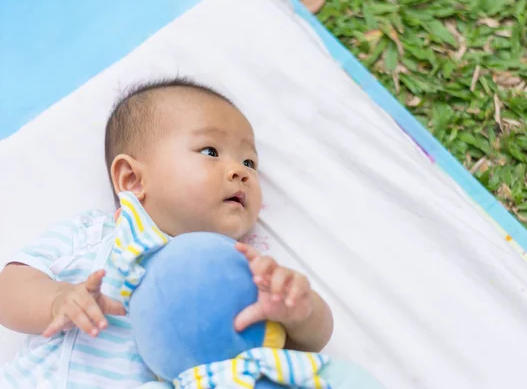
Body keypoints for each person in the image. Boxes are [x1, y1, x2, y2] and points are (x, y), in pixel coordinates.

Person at [0, 78, 334, 388]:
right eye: (210, 152)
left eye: (250, 162)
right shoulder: (92, 233)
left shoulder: (242, 269)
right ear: (132, 179)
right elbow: (9, 289)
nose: (240, 172)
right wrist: (56, 299)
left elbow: (305, 342)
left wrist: (300, 312)